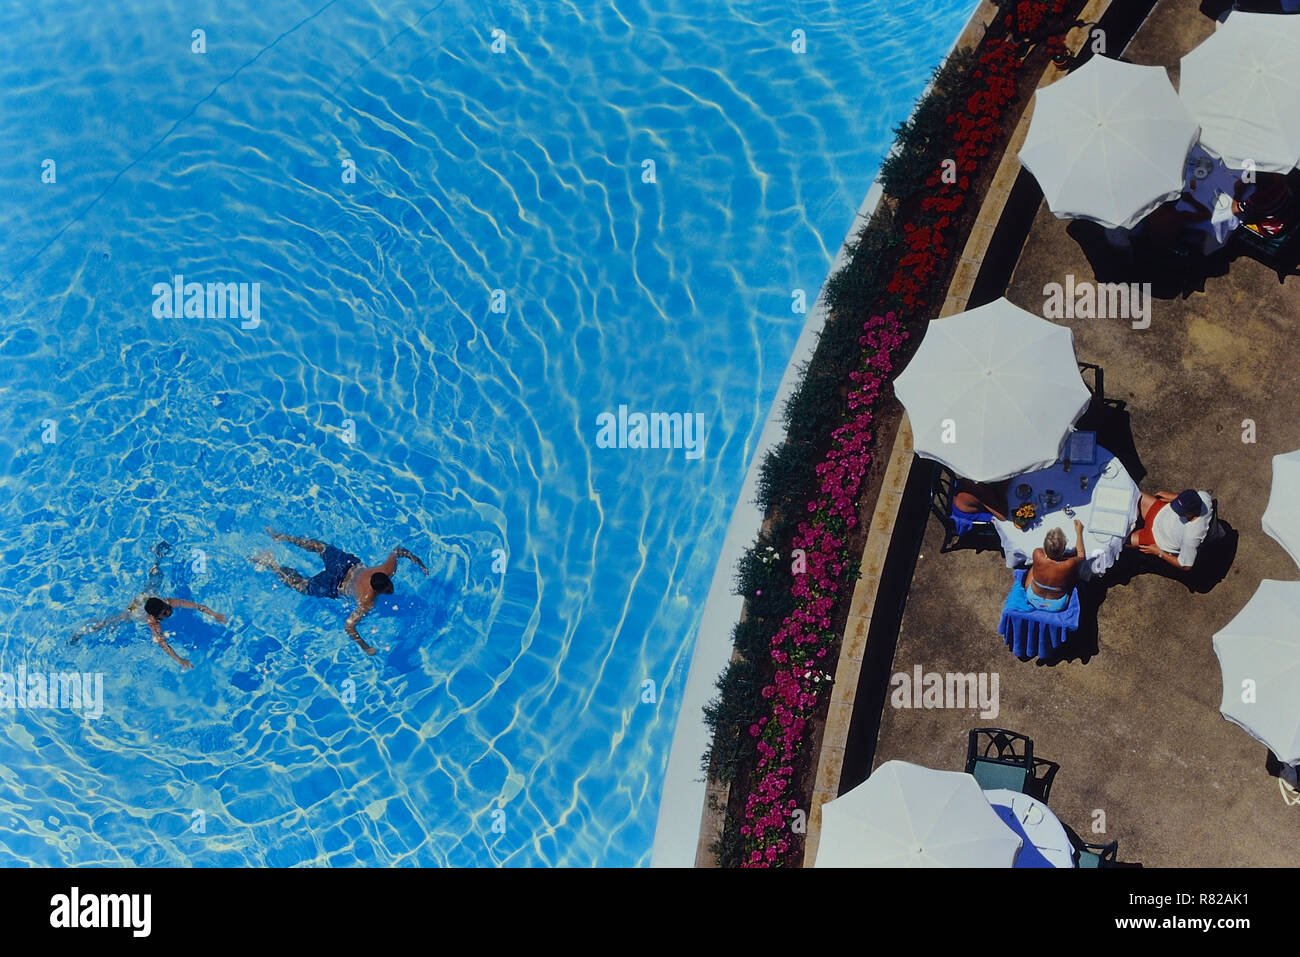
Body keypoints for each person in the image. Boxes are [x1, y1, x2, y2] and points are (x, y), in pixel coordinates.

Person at [254, 527, 428, 656]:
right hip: (334, 583)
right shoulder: (367, 600)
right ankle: (272, 564)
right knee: (301, 585)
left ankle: (280, 537)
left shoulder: (387, 568)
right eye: (388, 589)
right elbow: (349, 626)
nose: (391, 590)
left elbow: (398, 550)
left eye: (389, 586)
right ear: (377, 590)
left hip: (344, 565)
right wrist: (365, 647)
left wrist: (419, 562)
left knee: (319, 547)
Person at [70, 543, 226, 670]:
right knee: (110, 622)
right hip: (134, 611)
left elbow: (196, 606)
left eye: (167, 609)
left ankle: (157, 556)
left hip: (146, 596)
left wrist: (214, 614)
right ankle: (79, 634)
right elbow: (162, 644)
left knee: (156, 577)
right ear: (157, 617)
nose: (169, 612)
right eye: (165, 614)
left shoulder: (169, 602)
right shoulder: (152, 621)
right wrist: (179, 660)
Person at [1127, 489, 1214, 570]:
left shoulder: (1191, 537)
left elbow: (1185, 565)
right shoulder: (1204, 497)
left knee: (1120, 539)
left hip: (1157, 538)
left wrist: (1159, 552)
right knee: (1132, 493)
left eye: (1180, 510)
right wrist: (1175, 497)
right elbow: (1190, 498)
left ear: (1191, 512)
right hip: (1161, 511)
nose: (1175, 510)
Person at [1025, 520, 1086, 612]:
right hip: (1057, 605)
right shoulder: (1068, 563)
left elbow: (1048, 552)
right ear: (1063, 549)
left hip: (1032, 598)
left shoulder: (1037, 553)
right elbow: (1081, 555)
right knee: (1073, 574)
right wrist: (1079, 533)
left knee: (1034, 567)